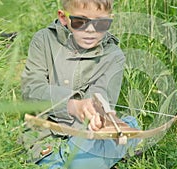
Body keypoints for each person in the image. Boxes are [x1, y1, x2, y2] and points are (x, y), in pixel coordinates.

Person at [20, 0, 139, 168]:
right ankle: (121, 142)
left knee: (80, 163)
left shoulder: (113, 55)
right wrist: (72, 105)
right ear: (63, 17)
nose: (90, 30)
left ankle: (127, 131)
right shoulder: (44, 40)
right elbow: (31, 90)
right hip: (44, 135)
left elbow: (101, 95)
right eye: (80, 22)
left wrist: (96, 113)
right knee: (53, 163)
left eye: (101, 23)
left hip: (87, 135)